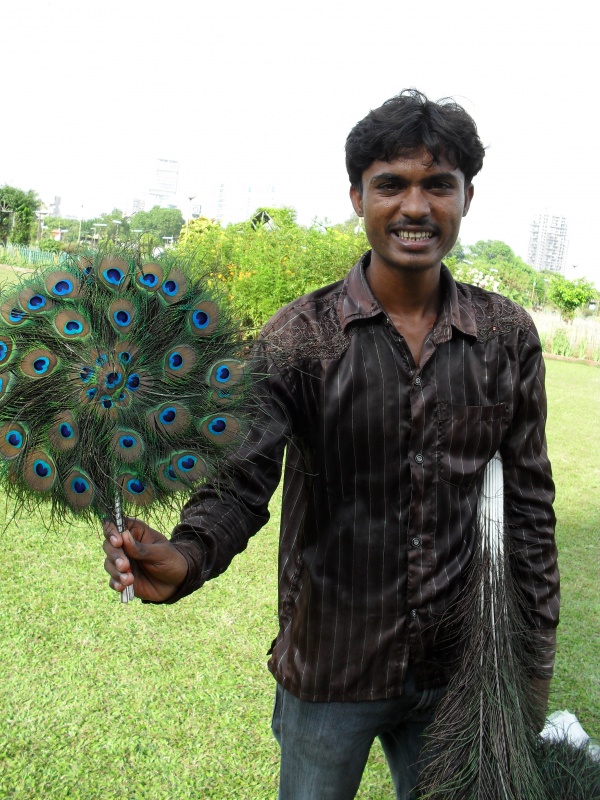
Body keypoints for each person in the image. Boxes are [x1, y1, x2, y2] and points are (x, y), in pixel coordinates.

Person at [103, 89, 559, 800]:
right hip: (329, 669)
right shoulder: (301, 338)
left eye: (439, 185)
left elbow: (529, 508)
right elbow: (240, 479)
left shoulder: (505, 337)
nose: (415, 207)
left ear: (468, 196)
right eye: (391, 184)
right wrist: (188, 556)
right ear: (357, 197)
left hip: (460, 672)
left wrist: (530, 658)